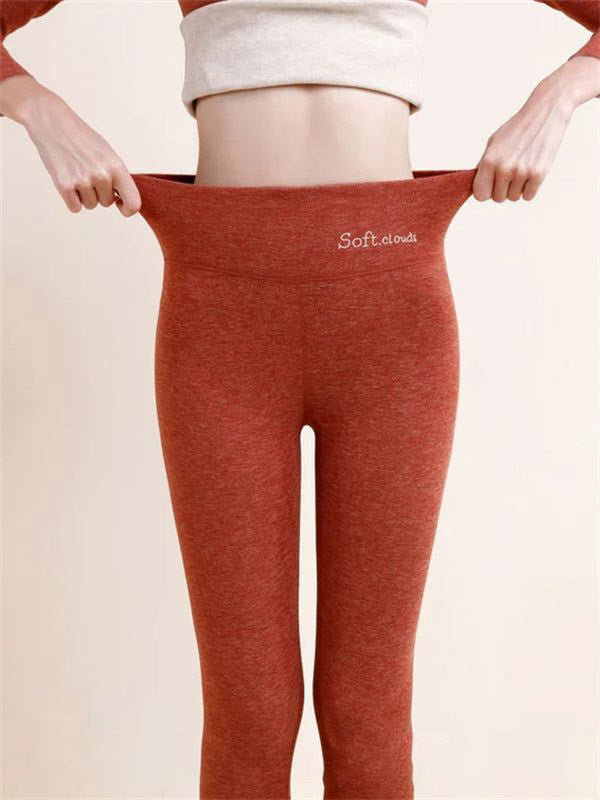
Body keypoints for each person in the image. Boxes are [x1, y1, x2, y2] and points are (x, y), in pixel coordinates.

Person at [1, 2, 598, 799]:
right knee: (249, 711)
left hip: (390, 304)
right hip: (222, 311)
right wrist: (37, 105)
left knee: (367, 707)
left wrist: (561, 91)